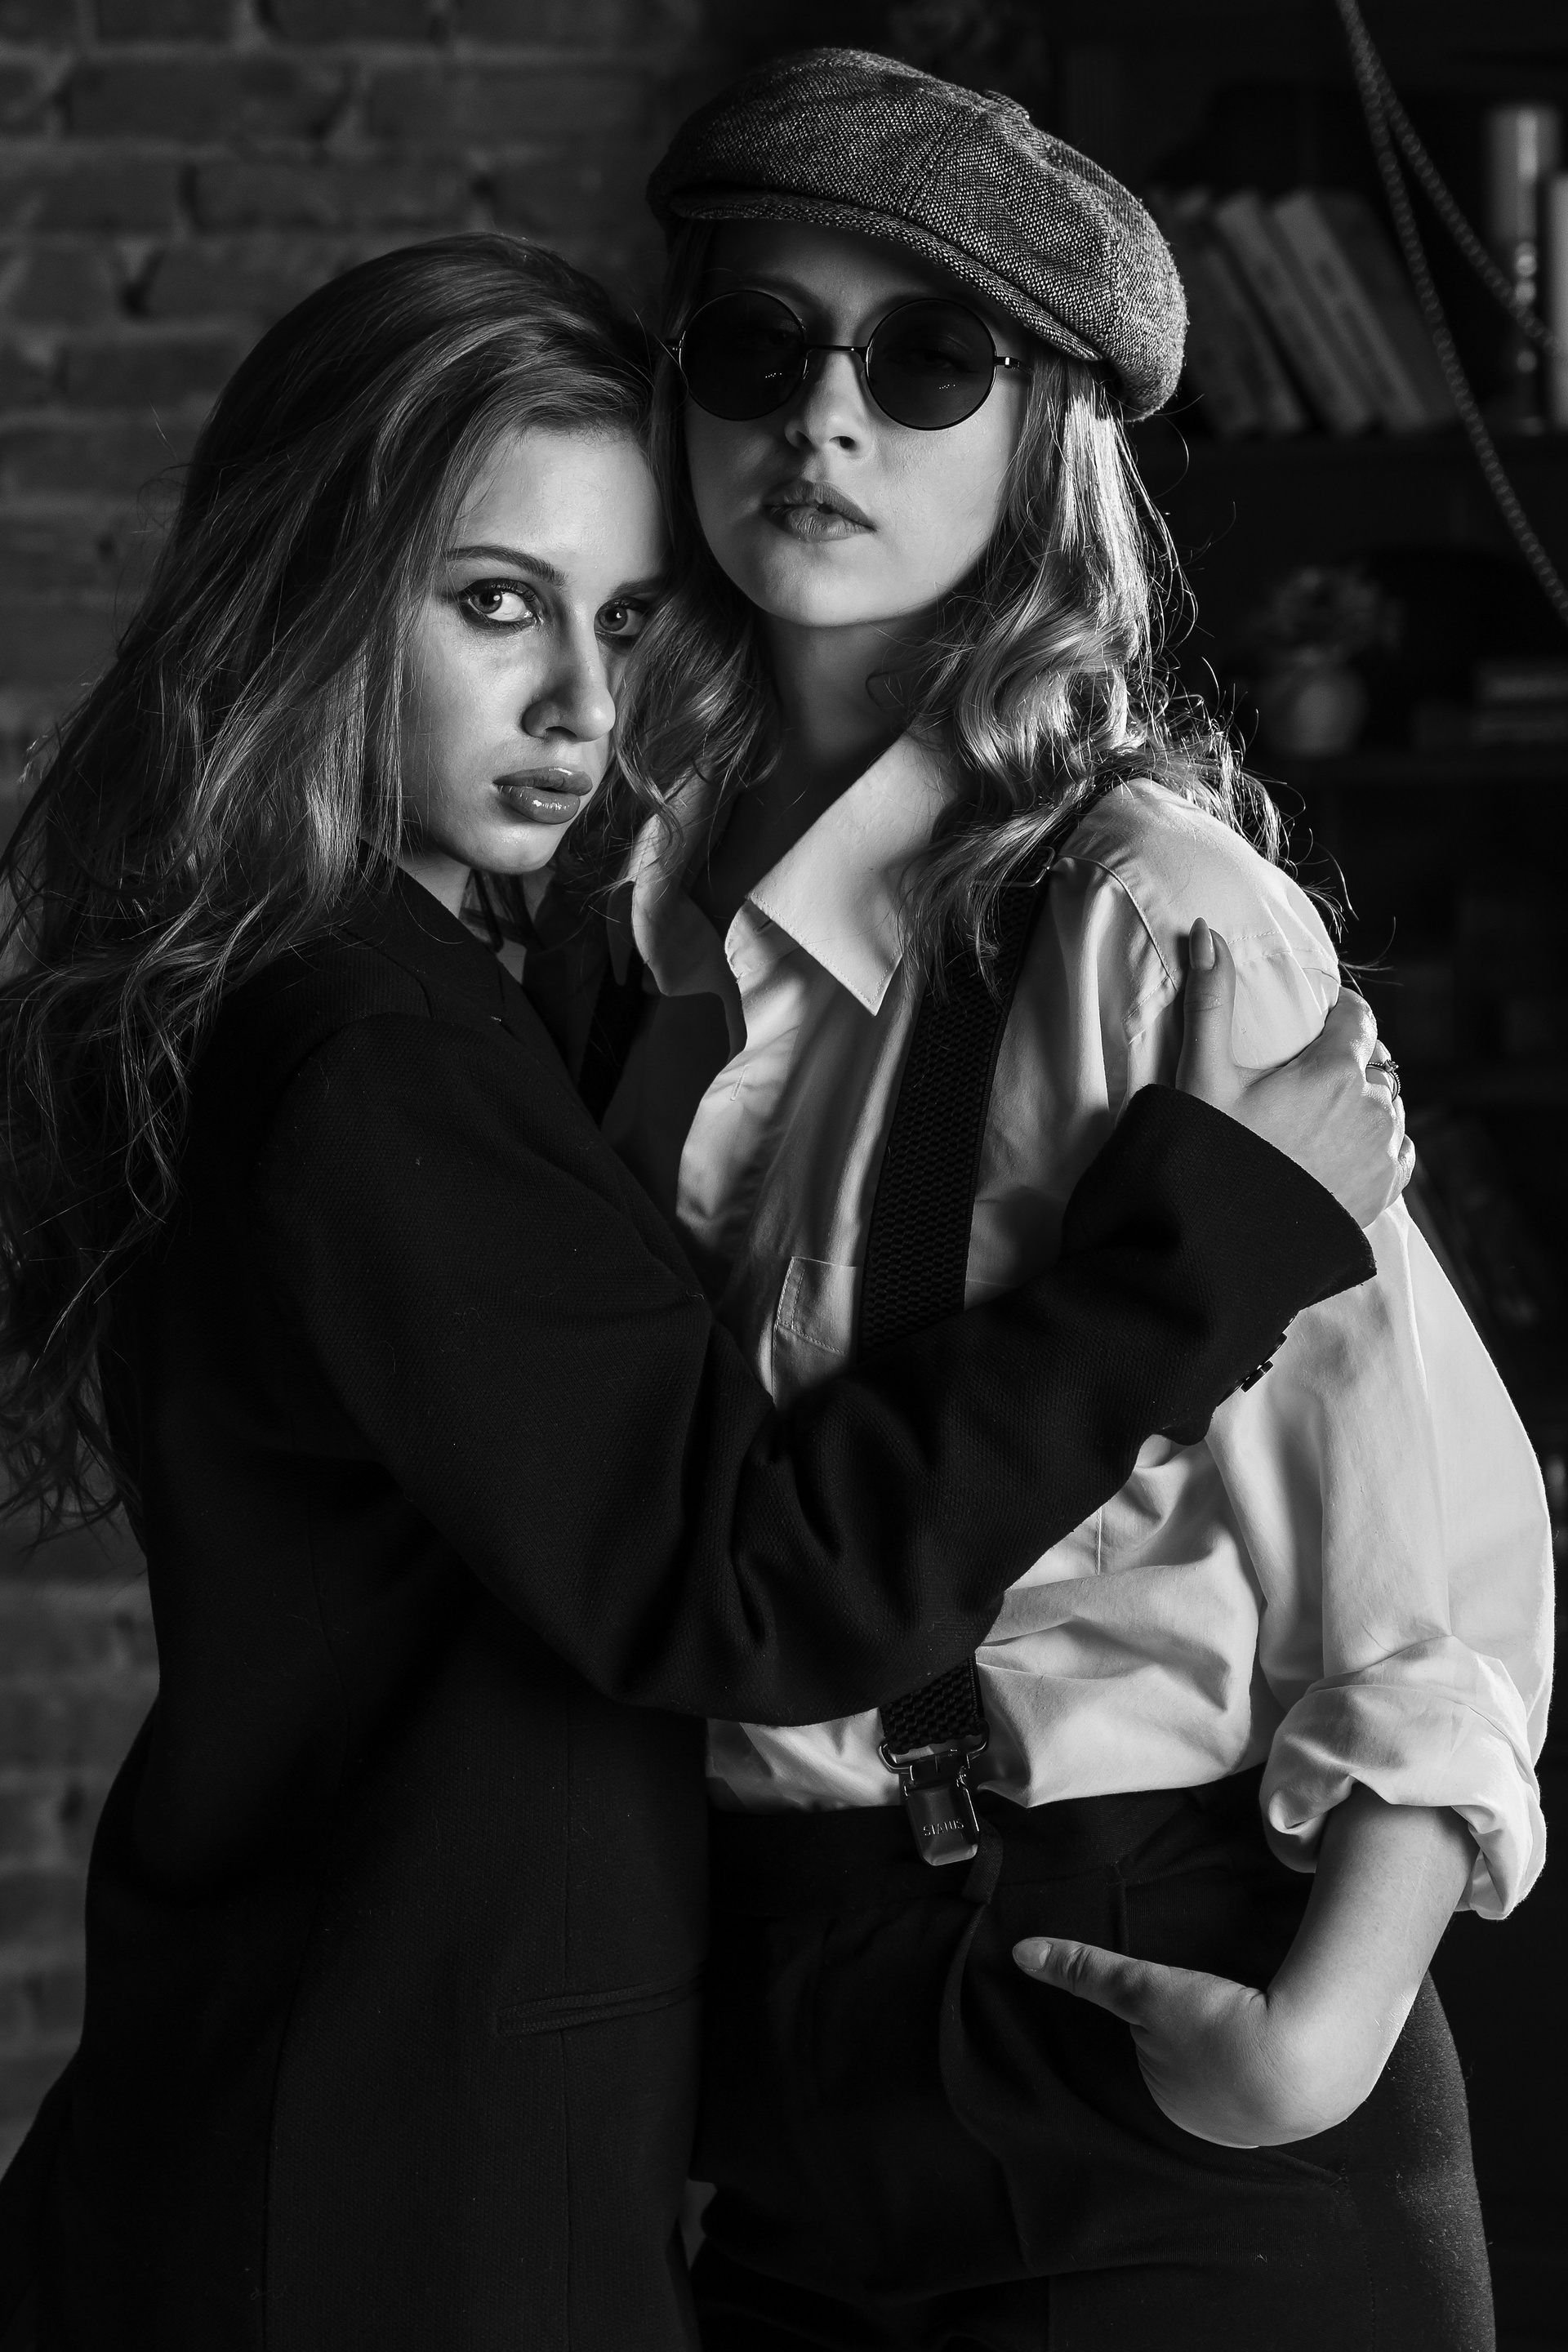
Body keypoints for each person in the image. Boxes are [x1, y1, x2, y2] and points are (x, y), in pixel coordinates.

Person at [0, 236, 1399, 2352]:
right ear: (312, 593)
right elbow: (744, 1588)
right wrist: (1205, 1256)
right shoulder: (370, 1043)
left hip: (397, 2101)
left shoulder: (425, 984)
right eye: (498, 604)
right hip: (393, 2169)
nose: (581, 703)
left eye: (630, 616)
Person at [558, 49, 1554, 2352]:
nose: (827, 418)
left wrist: (1310, 2042)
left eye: (927, 362)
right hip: (783, 2075)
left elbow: (1421, 1560)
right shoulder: (630, 915)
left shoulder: (1150, 920)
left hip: (1148, 2044)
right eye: (760, 345)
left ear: (1044, 446)